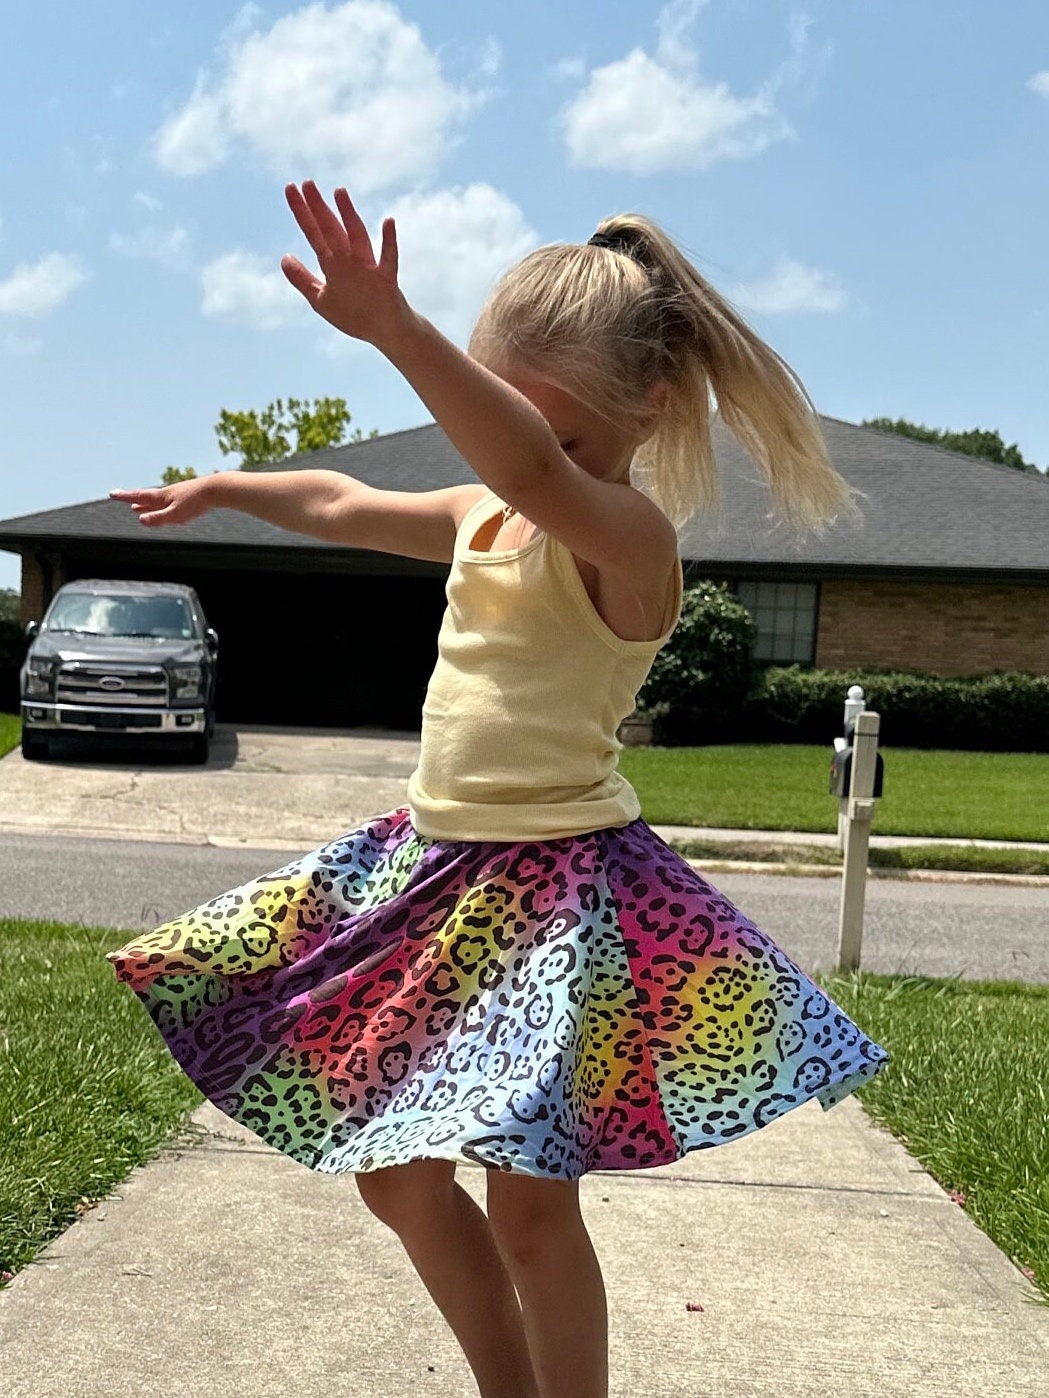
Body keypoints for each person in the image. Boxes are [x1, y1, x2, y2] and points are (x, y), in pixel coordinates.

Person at [106, 182, 890, 1398]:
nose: (510, 456)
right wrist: (228, 487)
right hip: (432, 877)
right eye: (499, 422)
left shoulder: (627, 539)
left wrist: (395, 329)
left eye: (554, 437)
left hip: (556, 894)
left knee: (530, 1211)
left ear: (651, 407)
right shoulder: (484, 510)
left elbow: (525, 464)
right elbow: (348, 502)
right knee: (396, 1175)